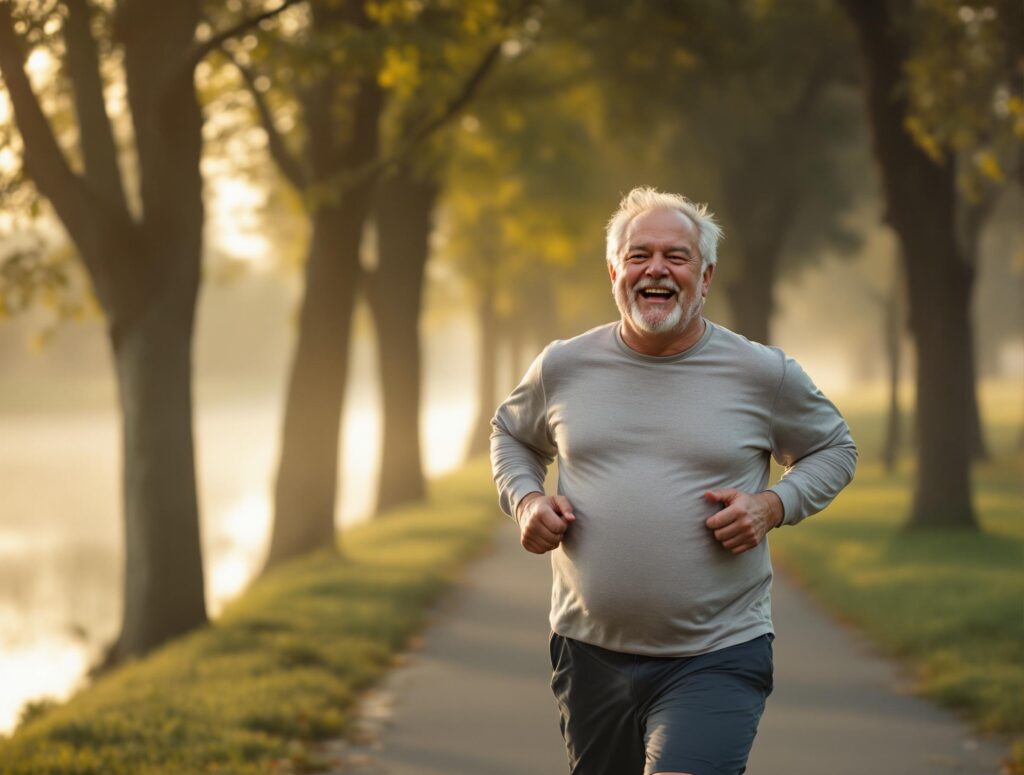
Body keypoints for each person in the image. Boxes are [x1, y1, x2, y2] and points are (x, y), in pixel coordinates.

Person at [490, 186, 857, 775]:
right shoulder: (563, 366)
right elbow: (511, 434)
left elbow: (834, 448)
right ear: (614, 271)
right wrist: (527, 500)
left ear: (705, 276)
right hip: (589, 654)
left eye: (676, 257)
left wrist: (773, 504)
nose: (655, 268)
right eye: (638, 255)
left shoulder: (764, 373)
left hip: (718, 653)